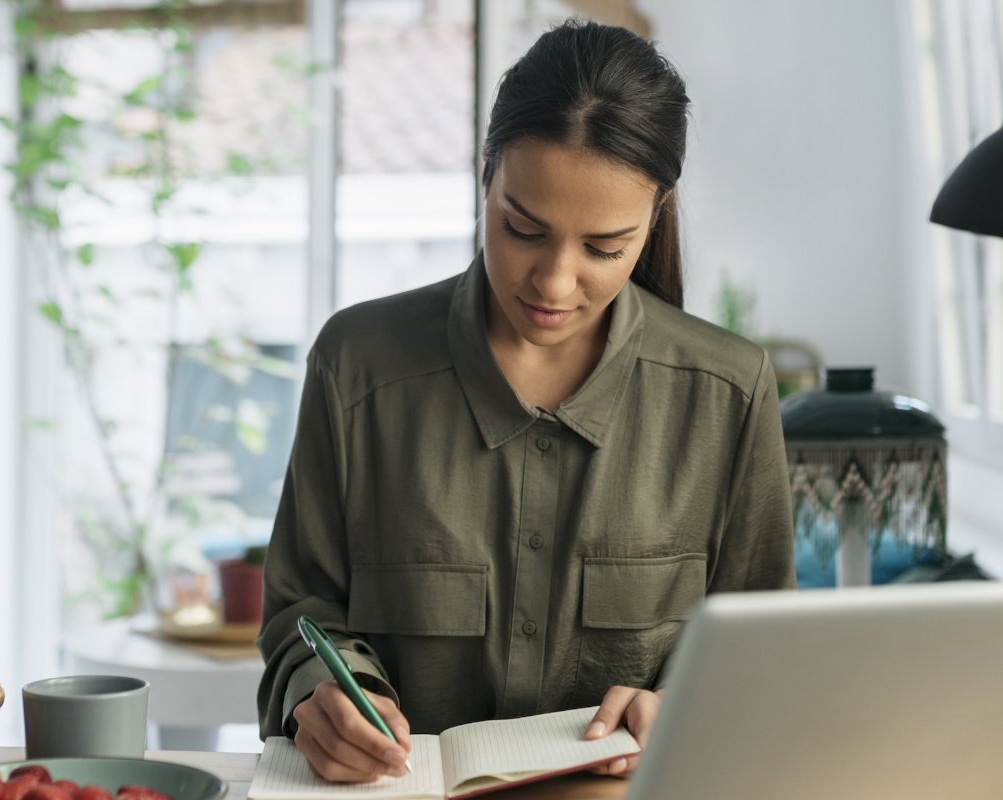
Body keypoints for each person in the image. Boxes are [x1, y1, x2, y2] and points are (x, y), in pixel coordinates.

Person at [255, 19, 795, 784]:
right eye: (522, 229)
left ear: (656, 215)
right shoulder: (358, 366)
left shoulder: (727, 393)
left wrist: (686, 704)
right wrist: (328, 696)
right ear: (486, 175)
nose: (553, 282)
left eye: (604, 248)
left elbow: (765, 655)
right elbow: (300, 614)